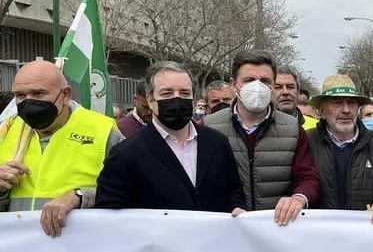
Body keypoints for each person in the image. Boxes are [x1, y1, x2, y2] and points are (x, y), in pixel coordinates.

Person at [95, 61, 246, 214]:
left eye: (185, 93)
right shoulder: (125, 154)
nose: (177, 99)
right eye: (167, 93)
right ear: (150, 99)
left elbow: (234, 190)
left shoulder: (217, 143)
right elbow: (110, 214)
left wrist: (237, 208)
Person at [0, 60, 123, 236]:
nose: (29, 102)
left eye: (38, 93)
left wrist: (80, 196)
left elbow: (131, 190)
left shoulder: (103, 131)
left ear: (65, 94)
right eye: (20, 95)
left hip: (81, 250)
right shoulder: (6, 130)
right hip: (20, 251)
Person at [204, 52, 320, 223]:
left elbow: (308, 177)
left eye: (265, 81)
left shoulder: (293, 129)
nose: (257, 87)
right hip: (227, 228)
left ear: (273, 85)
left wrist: (299, 198)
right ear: (234, 84)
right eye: (249, 80)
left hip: (277, 227)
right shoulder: (209, 126)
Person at [307, 75, 373, 222]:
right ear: (322, 111)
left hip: (363, 234)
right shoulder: (307, 141)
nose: (346, 110)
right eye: (337, 103)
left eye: (351, 103)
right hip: (319, 232)